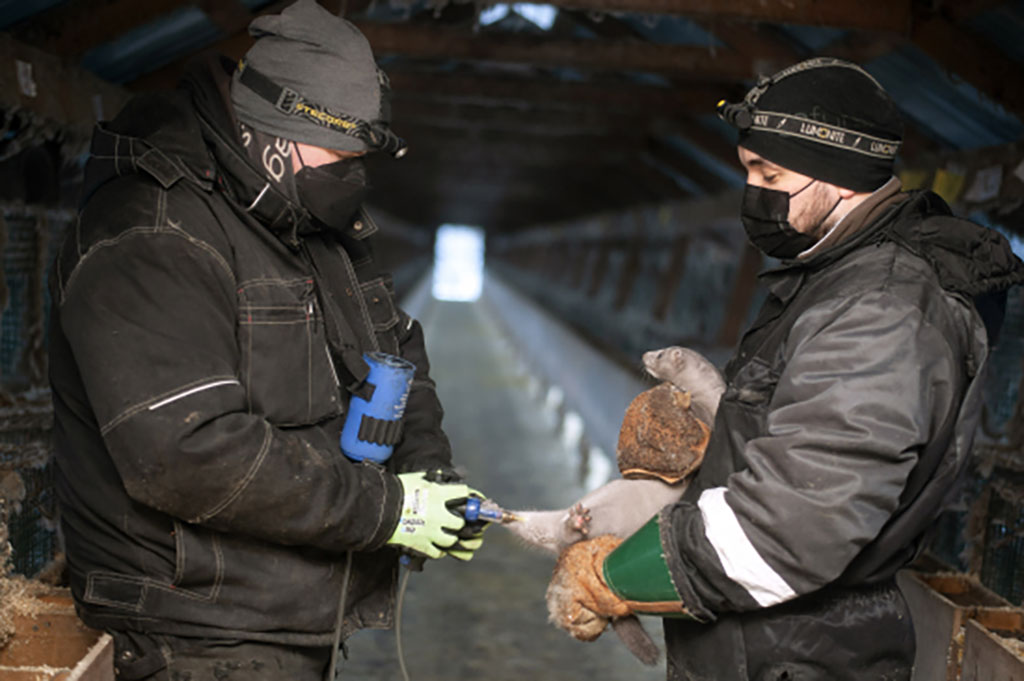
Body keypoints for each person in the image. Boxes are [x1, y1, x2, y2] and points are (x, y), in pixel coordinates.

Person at [546, 57, 1024, 681]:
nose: (756, 192)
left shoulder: (880, 309)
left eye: (770, 173)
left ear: (842, 177)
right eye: (747, 171)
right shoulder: (832, 275)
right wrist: (724, 429)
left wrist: (610, 578)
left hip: (801, 654)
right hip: (769, 646)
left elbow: (786, 529)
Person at [48, 1, 484, 678]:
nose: (353, 176)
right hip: (192, 635)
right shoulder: (153, 233)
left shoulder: (312, 221)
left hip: (281, 621)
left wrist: (427, 468)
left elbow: (396, 351)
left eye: (362, 159)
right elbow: (187, 452)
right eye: (339, 155)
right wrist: (387, 509)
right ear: (276, 134)